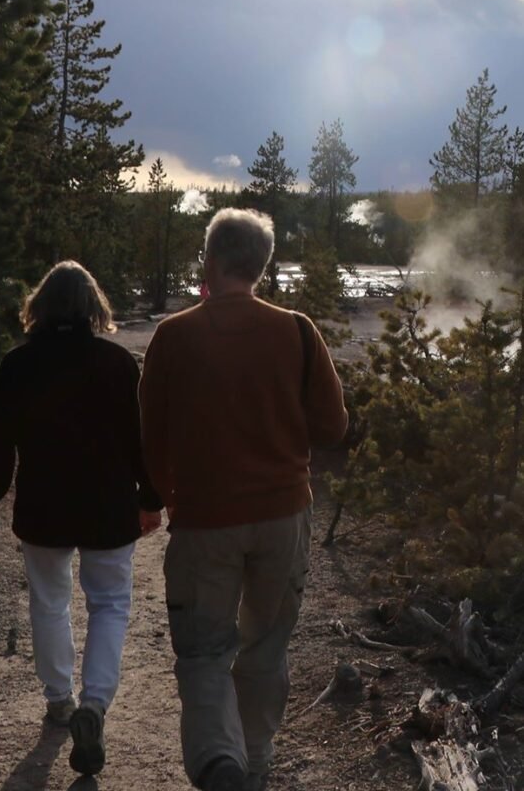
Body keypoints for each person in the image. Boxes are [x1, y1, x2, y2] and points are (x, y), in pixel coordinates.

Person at [139, 209, 348, 791]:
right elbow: (333, 426)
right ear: (262, 265)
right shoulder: (298, 330)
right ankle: (254, 762)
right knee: (265, 643)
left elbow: (151, 434)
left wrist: (156, 497)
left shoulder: (173, 335)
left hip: (206, 521)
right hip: (284, 517)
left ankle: (219, 764)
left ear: (210, 260)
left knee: (204, 652)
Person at [0, 260, 162, 778]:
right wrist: (151, 497)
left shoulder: (19, 364)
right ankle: (95, 704)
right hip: (108, 507)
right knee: (111, 604)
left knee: (50, 603)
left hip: (44, 507)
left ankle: (60, 701)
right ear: (94, 307)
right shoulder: (118, 364)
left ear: (41, 308)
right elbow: (141, 440)